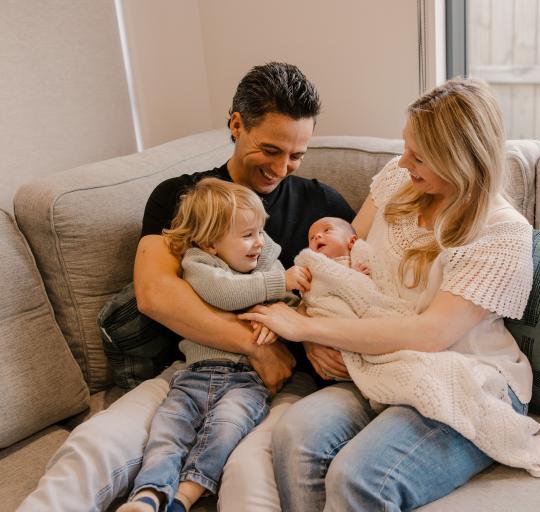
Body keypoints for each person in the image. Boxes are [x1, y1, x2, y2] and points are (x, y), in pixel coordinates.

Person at [17, 62, 354, 512]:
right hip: (193, 368)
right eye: (270, 149)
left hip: (282, 384)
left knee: (250, 476)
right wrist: (254, 346)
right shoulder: (182, 198)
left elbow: (354, 287)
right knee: (95, 444)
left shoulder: (323, 206)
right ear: (236, 125)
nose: (281, 168)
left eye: (296, 155)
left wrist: (310, 334)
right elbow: (156, 294)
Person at [239, 78, 539, 511]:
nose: (403, 161)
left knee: (359, 477)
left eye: (419, 156)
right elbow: (337, 261)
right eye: (406, 146)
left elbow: (431, 334)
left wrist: (305, 325)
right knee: (296, 432)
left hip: (462, 377)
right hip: (380, 363)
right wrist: (313, 335)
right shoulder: (401, 180)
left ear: (460, 160)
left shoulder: (502, 234)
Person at [119, 178, 303, 512]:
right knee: (168, 431)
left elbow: (286, 302)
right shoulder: (200, 265)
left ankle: (183, 498)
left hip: (248, 381)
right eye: (247, 235)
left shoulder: (264, 263)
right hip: (196, 375)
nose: (259, 243)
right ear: (210, 243)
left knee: (224, 431)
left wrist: (277, 319)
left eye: (261, 232)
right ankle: (148, 495)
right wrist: (279, 281)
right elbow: (226, 292)